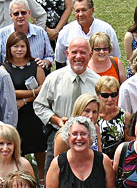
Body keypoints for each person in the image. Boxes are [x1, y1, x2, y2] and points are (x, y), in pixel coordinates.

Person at [34, 38, 99, 171]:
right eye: (74, 52)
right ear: (67, 54)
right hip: (59, 135)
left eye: (83, 52)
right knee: (53, 176)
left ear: (90, 55)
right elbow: (39, 105)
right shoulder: (54, 78)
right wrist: (57, 120)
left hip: (88, 140)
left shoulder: (97, 82)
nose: (78, 57)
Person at [2, 32, 47, 174]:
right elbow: (10, 91)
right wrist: (34, 92)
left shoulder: (36, 65)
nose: (19, 50)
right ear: (9, 48)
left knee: (39, 146)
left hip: (34, 113)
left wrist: (24, 100)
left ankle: (41, 175)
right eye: (15, 46)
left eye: (22, 46)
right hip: (16, 113)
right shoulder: (4, 68)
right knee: (18, 146)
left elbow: (44, 89)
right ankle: (20, 174)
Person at [54, 0, 120, 66]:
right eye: (77, 11)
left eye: (84, 10)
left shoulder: (106, 29)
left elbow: (115, 58)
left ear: (92, 10)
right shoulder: (66, 31)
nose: (80, 14)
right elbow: (60, 60)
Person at [0, 0, 54, 71]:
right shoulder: (1, 35)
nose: (20, 16)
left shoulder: (41, 33)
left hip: (36, 76)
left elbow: (50, 56)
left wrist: (44, 62)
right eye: (16, 14)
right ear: (11, 16)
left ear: (29, 13)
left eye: (23, 13)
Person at [97, 75, 132, 158]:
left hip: (119, 159)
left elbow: (129, 145)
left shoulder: (125, 116)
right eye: (105, 95)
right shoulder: (93, 115)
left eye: (114, 94)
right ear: (98, 95)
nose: (110, 99)